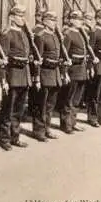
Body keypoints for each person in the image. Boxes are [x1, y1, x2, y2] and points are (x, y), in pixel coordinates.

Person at [0, 5, 36, 150]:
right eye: (19, 16)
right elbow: (2, 59)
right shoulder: (7, 34)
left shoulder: (25, 34)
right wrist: (3, 80)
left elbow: (28, 53)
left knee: (18, 110)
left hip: (23, 75)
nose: (22, 19)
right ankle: (4, 138)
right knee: (8, 109)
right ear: (12, 17)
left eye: (23, 16)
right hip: (12, 76)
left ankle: (15, 136)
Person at [58, 10, 91, 133]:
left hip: (81, 69)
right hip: (72, 70)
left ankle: (73, 122)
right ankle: (66, 124)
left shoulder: (81, 33)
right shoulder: (68, 34)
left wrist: (87, 69)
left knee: (76, 99)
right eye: (77, 19)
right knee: (68, 98)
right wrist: (64, 72)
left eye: (81, 19)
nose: (80, 21)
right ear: (71, 20)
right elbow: (64, 55)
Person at [31, 11, 62, 142]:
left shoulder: (55, 36)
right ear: (44, 21)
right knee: (41, 105)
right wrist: (37, 77)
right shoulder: (41, 36)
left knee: (50, 105)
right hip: (44, 73)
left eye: (55, 20)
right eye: (51, 20)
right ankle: (39, 131)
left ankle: (47, 128)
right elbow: (38, 58)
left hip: (54, 74)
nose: (54, 22)